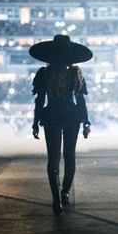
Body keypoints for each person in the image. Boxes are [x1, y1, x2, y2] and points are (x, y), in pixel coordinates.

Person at [30, 35, 92, 214]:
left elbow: (39, 101)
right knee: (69, 156)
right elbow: (80, 100)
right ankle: (64, 193)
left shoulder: (44, 73)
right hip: (72, 116)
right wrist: (86, 122)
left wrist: (35, 122)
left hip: (51, 116)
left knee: (54, 158)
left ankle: (57, 199)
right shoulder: (75, 72)